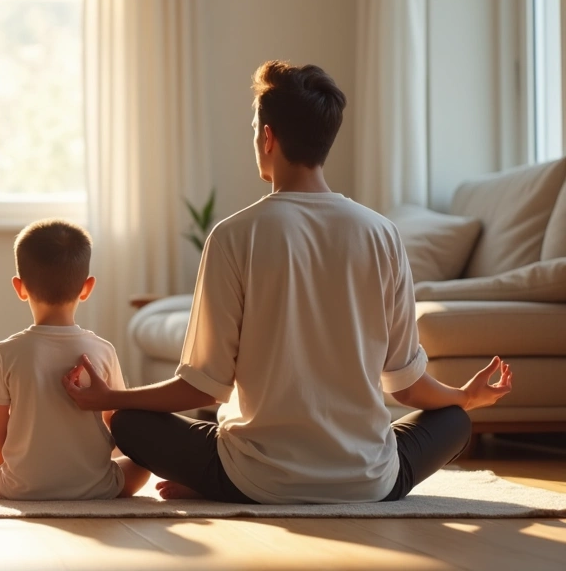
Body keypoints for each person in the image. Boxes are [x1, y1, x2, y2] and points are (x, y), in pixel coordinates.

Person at [64, 61, 513, 504]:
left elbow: (203, 387)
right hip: (371, 481)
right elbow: (407, 386)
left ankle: (214, 482)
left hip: (252, 480)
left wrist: (110, 397)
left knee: (128, 421)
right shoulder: (382, 234)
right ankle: (238, 478)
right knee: (454, 420)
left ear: (267, 136)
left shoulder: (234, 235)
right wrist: (464, 396)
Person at [0, 219, 150, 500]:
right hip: (94, 486)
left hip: (20, 487)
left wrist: (13, 471)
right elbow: (118, 424)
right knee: (142, 464)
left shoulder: (7, 351)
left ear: (20, 287)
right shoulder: (103, 350)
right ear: (87, 288)